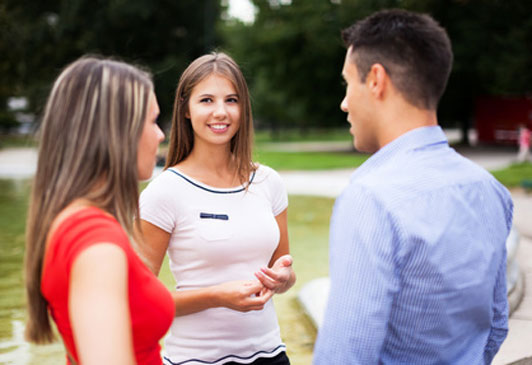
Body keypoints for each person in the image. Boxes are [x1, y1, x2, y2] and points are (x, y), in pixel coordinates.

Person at [313, 9, 513, 364]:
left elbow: (345, 354)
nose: (344, 103)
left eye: (348, 83)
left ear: (376, 80)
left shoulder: (370, 198)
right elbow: (495, 324)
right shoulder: (490, 189)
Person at [138, 52, 295, 365]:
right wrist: (217, 296)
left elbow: (285, 270)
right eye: (207, 100)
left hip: (271, 354)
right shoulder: (164, 192)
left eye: (232, 100)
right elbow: (140, 301)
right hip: (196, 359)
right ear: (185, 108)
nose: (221, 112)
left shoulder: (268, 182)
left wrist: (282, 277)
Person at [24, 57, 173, 364]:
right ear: (120, 131)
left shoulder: (72, 222)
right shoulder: (96, 241)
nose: (161, 135)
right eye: (153, 120)